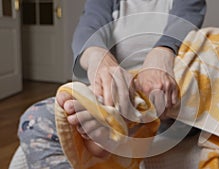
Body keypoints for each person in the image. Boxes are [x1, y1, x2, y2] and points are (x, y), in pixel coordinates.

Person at [18, 0, 206, 168]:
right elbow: (89, 27)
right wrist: (99, 59)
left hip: (170, 94)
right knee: (34, 120)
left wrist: (161, 55)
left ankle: (121, 128)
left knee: (214, 53)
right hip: (118, 95)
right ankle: (117, 124)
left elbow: (185, 22)